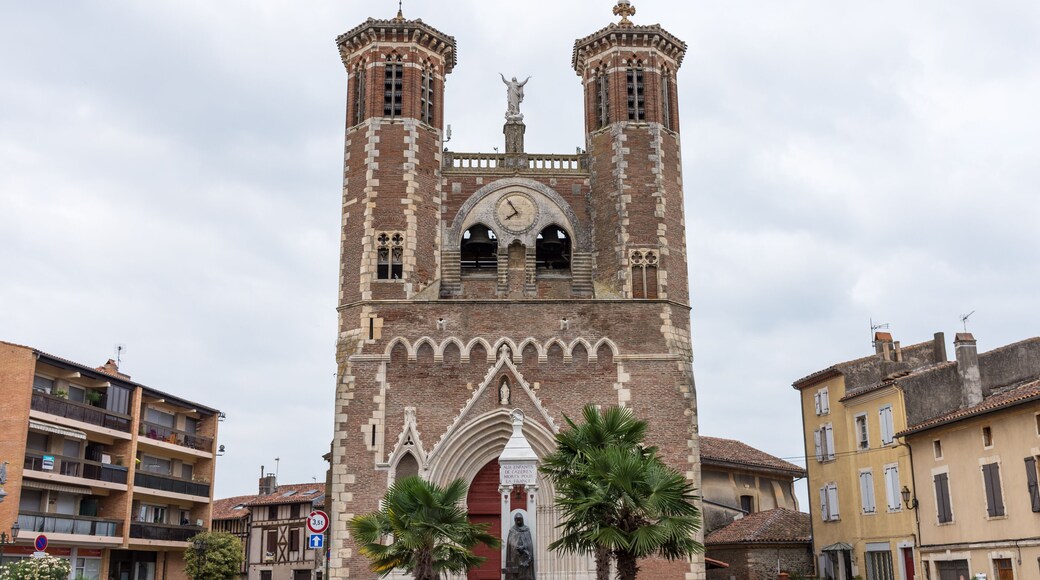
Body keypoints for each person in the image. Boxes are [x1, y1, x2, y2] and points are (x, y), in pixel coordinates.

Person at [505, 512, 535, 580]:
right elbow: (510, 543)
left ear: (522, 520)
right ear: (514, 520)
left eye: (520, 519)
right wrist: (517, 547)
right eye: (517, 519)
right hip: (516, 556)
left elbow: (529, 543)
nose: (518, 521)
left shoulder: (526, 529)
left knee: (525, 572)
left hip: (525, 555)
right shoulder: (512, 530)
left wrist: (524, 546)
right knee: (516, 572)